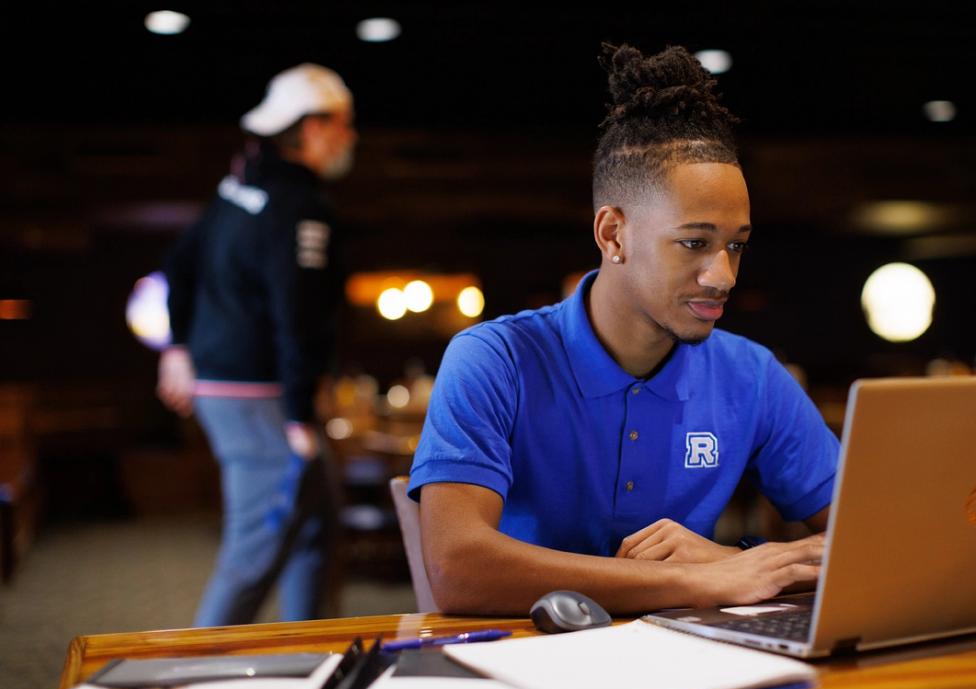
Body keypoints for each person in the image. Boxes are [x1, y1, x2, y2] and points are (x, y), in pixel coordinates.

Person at [408, 44, 840, 616]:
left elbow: (879, 540)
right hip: (522, 672)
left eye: (736, 245)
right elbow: (458, 569)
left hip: (690, 676)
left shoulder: (752, 373)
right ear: (613, 235)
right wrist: (706, 582)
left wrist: (722, 559)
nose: (724, 275)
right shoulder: (494, 358)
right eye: (695, 243)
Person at [157, 63, 356, 626]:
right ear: (314, 127)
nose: (351, 137)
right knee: (255, 551)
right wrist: (298, 417)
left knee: (314, 529)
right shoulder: (299, 208)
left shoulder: (235, 191)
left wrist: (177, 348)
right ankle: (186, 688)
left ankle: (311, 658)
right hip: (262, 397)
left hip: (230, 388)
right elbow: (300, 317)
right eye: (344, 124)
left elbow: (176, 266)